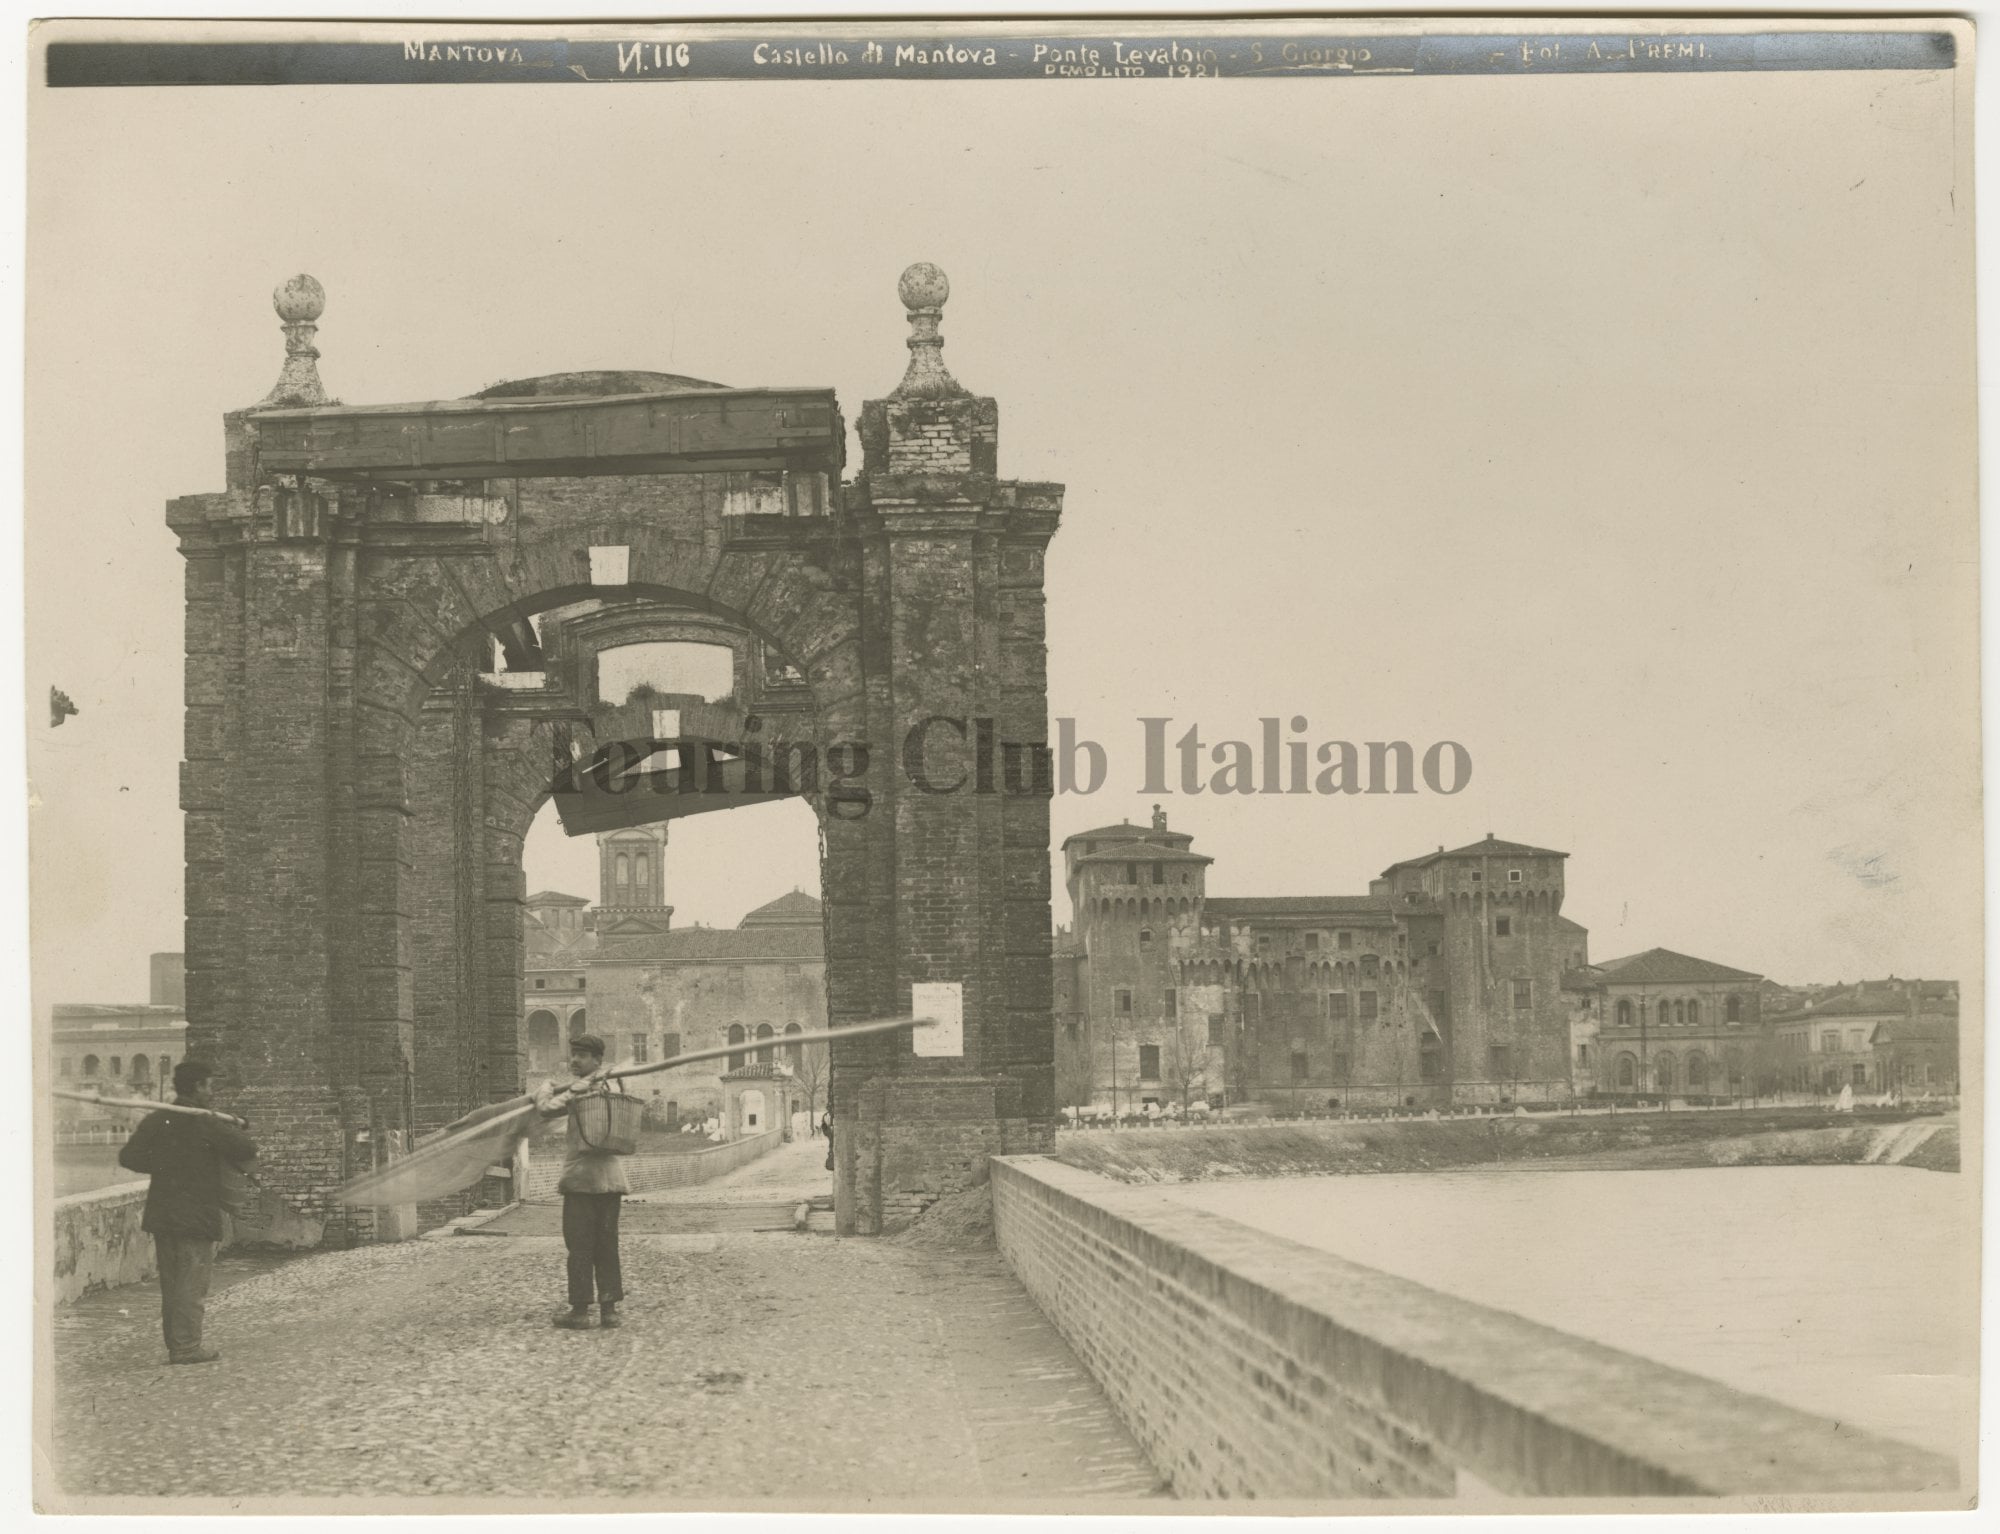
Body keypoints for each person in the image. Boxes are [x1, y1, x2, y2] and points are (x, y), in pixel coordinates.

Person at [115, 1060, 258, 1365]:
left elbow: (129, 1156)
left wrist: (165, 1163)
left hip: (164, 1214)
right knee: (191, 1285)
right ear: (197, 1087)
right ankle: (187, 1347)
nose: (212, 1092)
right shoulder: (205, 1121)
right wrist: (230, 1127)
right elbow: (246, 1150)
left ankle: (177, 1344)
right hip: (196, 1216)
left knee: (172, 1284)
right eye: (209, 1086)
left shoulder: (159, 1119)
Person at [533, 1034, 630, 1331]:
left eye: (582, 1056)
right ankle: (609, 1311)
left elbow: (546, 1108)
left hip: (581, 1180)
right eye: (574, 1054)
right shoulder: (613, 1086)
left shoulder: (580, 1090)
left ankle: (579, 1311)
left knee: (579, 1246)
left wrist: (545, 1088)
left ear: (597, 1061)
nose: (575, 1060)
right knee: (607, 1244)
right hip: (611, 1181)